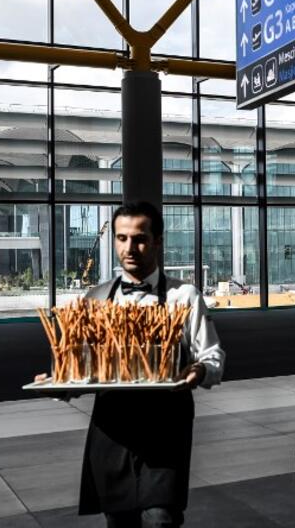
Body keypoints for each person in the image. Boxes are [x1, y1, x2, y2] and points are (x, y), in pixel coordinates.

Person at [78, 201, 225, 528]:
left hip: (165, 426)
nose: (130, 247)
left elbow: (213, 355)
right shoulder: (97, 297)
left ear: (158, 241)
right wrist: (61, 383)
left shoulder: (184, 296)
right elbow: (82, 364)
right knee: (118, 521)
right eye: (122, 238)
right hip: (112, 425)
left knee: (160, 518)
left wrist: (200, 371)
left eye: (140, 238)